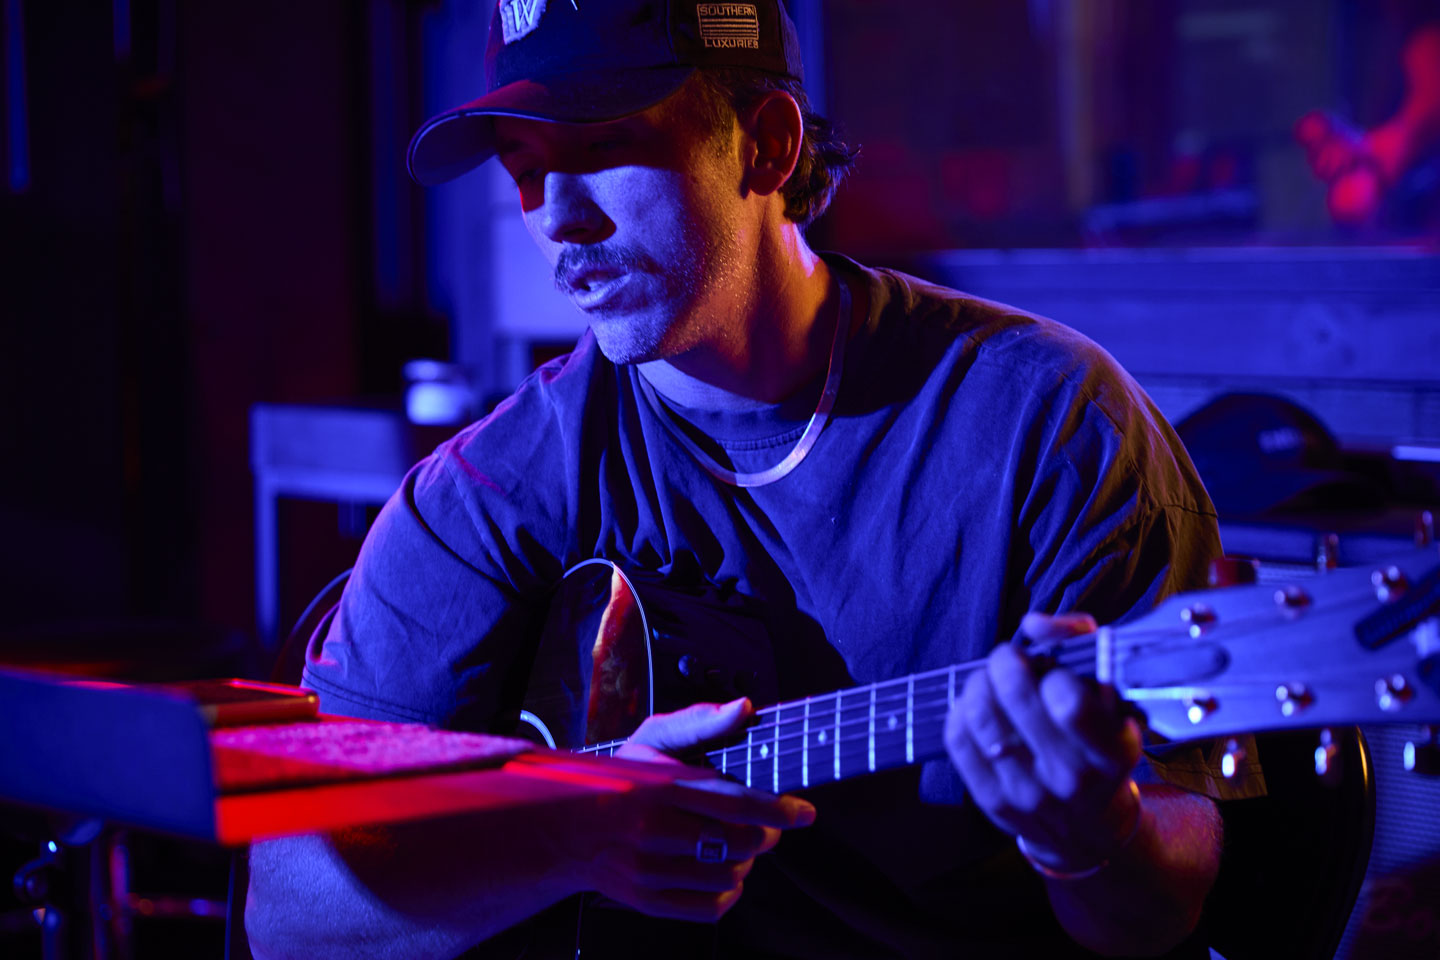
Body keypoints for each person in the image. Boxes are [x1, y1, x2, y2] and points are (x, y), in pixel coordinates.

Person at [246, 1, 1247, 957]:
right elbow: (285, 912)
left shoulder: (1049, 420)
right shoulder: (488, 493)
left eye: (603, 148)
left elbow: (1167, 906)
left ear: (766, 146)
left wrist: (1090, 836)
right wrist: (571, 841)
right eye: (527, 170)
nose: (557, 218)